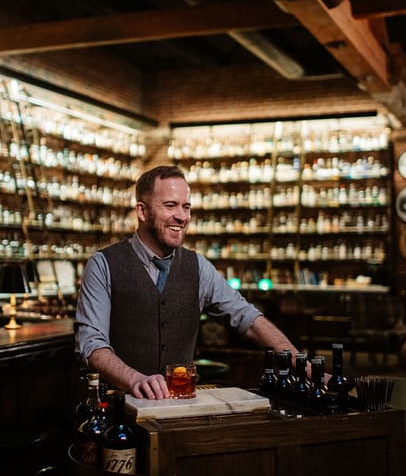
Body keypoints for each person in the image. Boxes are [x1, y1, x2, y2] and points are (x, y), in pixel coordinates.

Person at [74, 165, 301, 399]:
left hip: (180, 405)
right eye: (170, 205)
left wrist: (303, 366)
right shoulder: (103, 264)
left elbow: (248, 319)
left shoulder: (198, 267)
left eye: (186, 207)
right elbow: (91, 344)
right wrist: (134, 379)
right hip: (118, 407)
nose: (182, 216)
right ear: (142, 211)